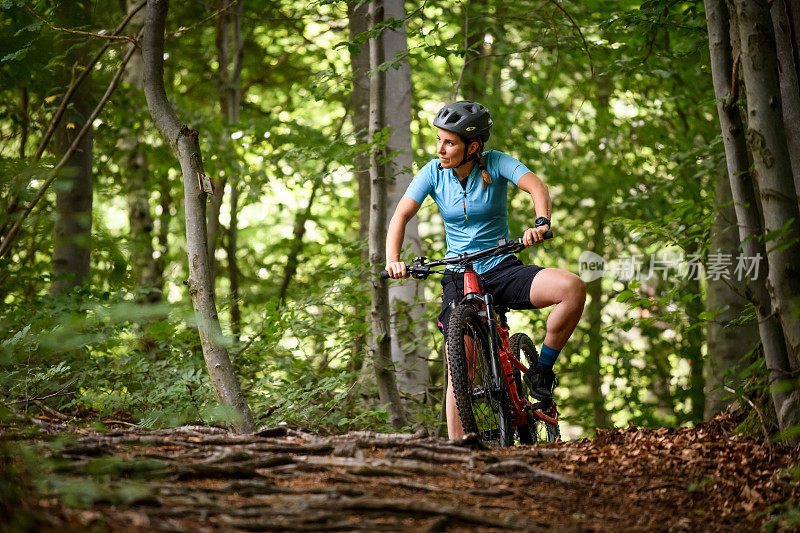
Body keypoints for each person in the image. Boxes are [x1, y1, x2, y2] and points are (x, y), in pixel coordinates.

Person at [385, 100, 586, 439]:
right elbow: (401, 215)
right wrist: (394, 260)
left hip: (500, 266)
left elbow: (535, 186)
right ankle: (459, 452)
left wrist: (540, 222)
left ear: (472, 146)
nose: (441, 148)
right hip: (458, 274)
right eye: (438, 140)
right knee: (458, 367)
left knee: (573, 288)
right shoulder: (433, 172)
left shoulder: (496, 162)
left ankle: (541, 371)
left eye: (449, 142)